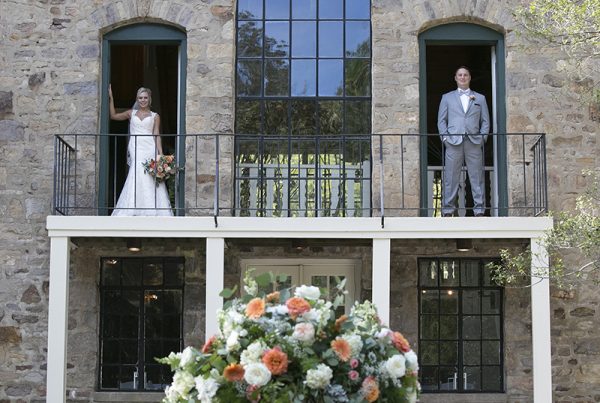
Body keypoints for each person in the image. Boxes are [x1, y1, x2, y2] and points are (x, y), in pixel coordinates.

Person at [109, 85, 173, 216]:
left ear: (149, 99)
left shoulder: (155, 116)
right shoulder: (130, 113)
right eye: (140, 98)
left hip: (150, 147)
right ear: (137, 99)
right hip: (136, 147)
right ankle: (132, 206)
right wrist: (111, 98)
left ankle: (153, 208)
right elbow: (113, 116)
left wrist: (160, 154)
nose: (143, 100)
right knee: (137, 171)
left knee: (150, 175)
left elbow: (156, 135)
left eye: (145, 97)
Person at [437, 66, 490, 217]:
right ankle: (448, 210)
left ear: (469, 77)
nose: (462, 77)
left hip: (474, 142)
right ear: (455, 78)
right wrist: (445, 138)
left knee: (477, 176)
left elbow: (485, 122)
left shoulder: (480, 98)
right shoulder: (446, 98)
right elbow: (441, 121)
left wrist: (482, 138)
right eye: (459, 75)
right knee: (451, 177)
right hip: (453, 142)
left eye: (465, 75)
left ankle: (479, 210)